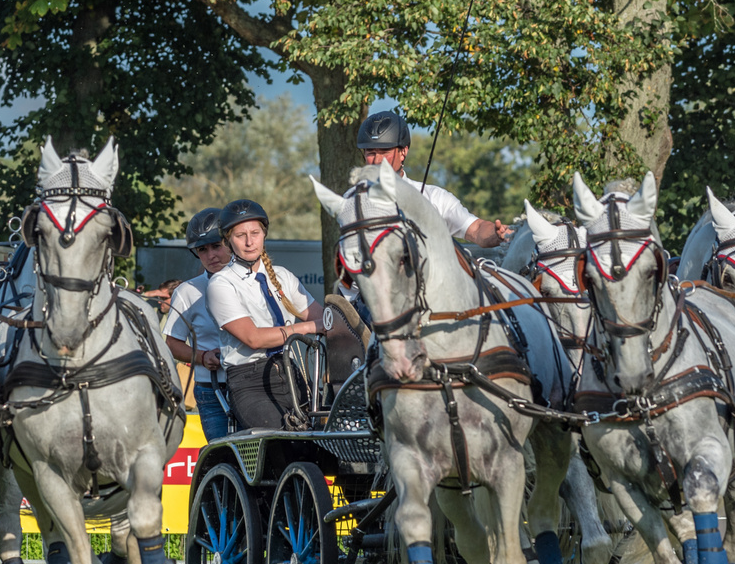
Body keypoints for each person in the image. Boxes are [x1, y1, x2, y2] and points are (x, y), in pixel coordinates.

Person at [205, 199, 326, 431]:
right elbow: (254, 339)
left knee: (320, 441)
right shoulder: (221, 283)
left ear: (264, 234)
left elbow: (322, 318)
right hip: (250, 382)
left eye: (255, 233)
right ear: (227, 241)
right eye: (241, 235)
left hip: (290, 372)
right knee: (280, 443)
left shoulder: (282, 276)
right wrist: (308, 328)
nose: (250, 242)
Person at [348, 109, 511, 247]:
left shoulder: (435, 198)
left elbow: (476, 229)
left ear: (403, 152)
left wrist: (497, 234)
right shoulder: (351, 200)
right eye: (371, 153)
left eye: (384, 153)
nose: (377, 161)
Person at [164, 209, 233, 441]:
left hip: (254, 384)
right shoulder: (187, 291)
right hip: (210, 388)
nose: (211, 255)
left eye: (216, 245)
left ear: (231, 242)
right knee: (223, 457)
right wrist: (203, 357)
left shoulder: (254, 282)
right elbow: (172, 343)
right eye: (202, 250)